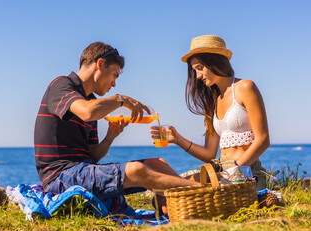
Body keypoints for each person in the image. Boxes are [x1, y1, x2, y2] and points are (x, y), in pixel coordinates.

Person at [34, 42, 199, 203]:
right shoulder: (62, 85)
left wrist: (110, 137)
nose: (114, 83)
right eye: (114, 75)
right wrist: (121, 99)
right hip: (59, 178)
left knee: (157, 164)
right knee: (137, 170)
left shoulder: (92, 101)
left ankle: (187, 203)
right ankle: (206, 191)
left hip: (83, 170)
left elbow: (93, 156)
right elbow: (87, 111)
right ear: (100, 64)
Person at [151, 35, 269, 190]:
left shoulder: (245, 87)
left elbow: (263, 140)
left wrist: (233, 171)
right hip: (218, 169)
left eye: (200, 68)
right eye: (195, 70)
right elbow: (209, 154)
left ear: (215, 61)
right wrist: (178, 139)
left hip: (245, 171)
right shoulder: (212, 101)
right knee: (164, 192)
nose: (198, 76)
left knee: (176, 192)